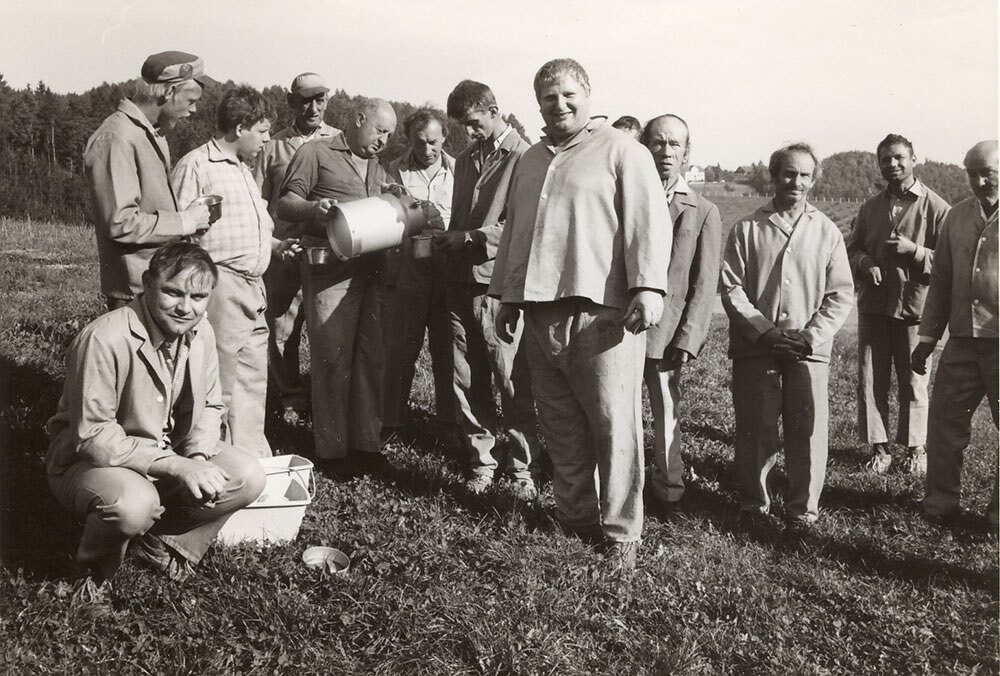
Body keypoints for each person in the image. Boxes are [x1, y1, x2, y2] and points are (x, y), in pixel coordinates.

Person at [490, 59, 670, 570]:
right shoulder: (530, 160)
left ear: (588, 94)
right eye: (548, 97)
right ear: (538, 103)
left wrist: (648, 288)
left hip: (605, 313)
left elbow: (648, 223)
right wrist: (508, 296)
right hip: (540, 309)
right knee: (560, 421)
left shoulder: (621, 150)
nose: (559, 104)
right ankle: (574, 519)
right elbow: (517, 230)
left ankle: (620, 534)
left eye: (569, 94)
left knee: (614, 424)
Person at [46, 242, 266, 602]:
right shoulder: (104, 337)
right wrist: (177, 466)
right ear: (147, 283)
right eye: (172, 291)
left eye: (198, 296)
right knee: (133, 504)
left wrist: (196, 458)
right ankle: (92, 577)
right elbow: (94, 437)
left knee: (248, 475)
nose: (185, 307)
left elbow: (212, 405)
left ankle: (162, 544)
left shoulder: (202, 332)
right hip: (87, 462)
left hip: (164, 454)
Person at [720, 142, 853, 528]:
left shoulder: (827, 232)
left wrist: (810, 337)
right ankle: (754, 503)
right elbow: (731, 288)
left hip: (807, 353)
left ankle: (802, 510)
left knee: (807, 431)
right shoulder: (747, 228)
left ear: (814, 180)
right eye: (789, 173)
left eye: (805, 175)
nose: (796, 181)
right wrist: (762, 333)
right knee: (755, 429)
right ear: (774, 176)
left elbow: (840, 294)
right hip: (756, 350)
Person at [172, 85, 302, 458]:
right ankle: (207, 456)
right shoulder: (197, 165)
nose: (266, 139)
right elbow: (183, 234)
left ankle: (249, 457)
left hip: (253, 285)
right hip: (221, 284)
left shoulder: (244, 171)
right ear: (240, 126)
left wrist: (275, 247)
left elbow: (249, 226)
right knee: (220, 378)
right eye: (261, 131)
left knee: (250, 375)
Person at [277, 98, 398, 471]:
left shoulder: (378, 166)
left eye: (390, 135)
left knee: (370, 359)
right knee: (332, 358)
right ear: (359, 119)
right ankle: (332, 451)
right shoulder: (315, 152)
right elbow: (284, 204)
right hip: (331, 272)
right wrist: (314, 210)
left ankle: (367, 446)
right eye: (380, 131)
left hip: (373, 272)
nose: (384, 141)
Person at [440, 80, 539, 498]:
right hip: (459, 282)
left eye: (474, 123)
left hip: (499, 287)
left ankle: (522, 471)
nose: (468, 133)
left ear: (494, 109)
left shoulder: (525, 157)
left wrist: (468, 239)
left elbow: (521, 224)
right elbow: (459, 218)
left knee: (510, 378)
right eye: (463, 126)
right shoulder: (465, 160)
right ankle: (482, 461)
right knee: (466, 377)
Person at [846, 134, 950, 475]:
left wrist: (915, 252)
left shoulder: (936, 207)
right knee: (870, 380)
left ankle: (915, 449)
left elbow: (950, 262)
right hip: (874, 308)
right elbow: (853, 248)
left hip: (915, 309)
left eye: (899, 157)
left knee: (914, 381)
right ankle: (880, 449)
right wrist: (864, 264)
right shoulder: (870, 207)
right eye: (885, 160)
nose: (892, 164)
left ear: (914, 159)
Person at [84, 51, 214, 311]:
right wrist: (184, 222)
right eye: (191, 100)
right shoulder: (117, 138)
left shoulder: (150, 132)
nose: (194, 109)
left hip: (160, 285)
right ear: (169, 92)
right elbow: (120, 223)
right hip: (137, 293)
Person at [912, 140, 998, 526]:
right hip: (962, 340)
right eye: (972, 173)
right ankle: (940, 504)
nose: (979, 181)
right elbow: (941, 279)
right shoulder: (957, 217)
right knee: (945, 424)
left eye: (988, 173)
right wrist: (927, 339)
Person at [640, 114, 722, 512]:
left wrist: (688, 338)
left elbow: (705, 286)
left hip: (667, 334)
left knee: (665, 410)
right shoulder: (627, 197)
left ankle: (669, 490)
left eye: (674, 145)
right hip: (621, 328)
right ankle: (616, 483)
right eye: (657, 143)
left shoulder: (702, 211)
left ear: (687, 153)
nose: (666, 152)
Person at [254, 73, 341, 426]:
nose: (314, 107)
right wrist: (272, 246)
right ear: (291, 102)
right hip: (286, 254)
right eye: (306, 100)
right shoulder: (272, 147)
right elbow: (258, 201)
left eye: (320, 100)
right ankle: (291, 397)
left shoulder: (338, 142)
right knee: (281, 330)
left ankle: (328, 398)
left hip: (330, 252)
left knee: (330, 329)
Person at [382, 107, 457, 434]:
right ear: (408, 139)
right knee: (399, 348)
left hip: (448, 273)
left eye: (433, 142)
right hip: (406, 272)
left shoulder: (460, 171)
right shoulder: (391, 171)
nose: (426, 150)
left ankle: (448, 422)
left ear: (444, 138)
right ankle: (392, 419)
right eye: (419, 143)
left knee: (449, 351)